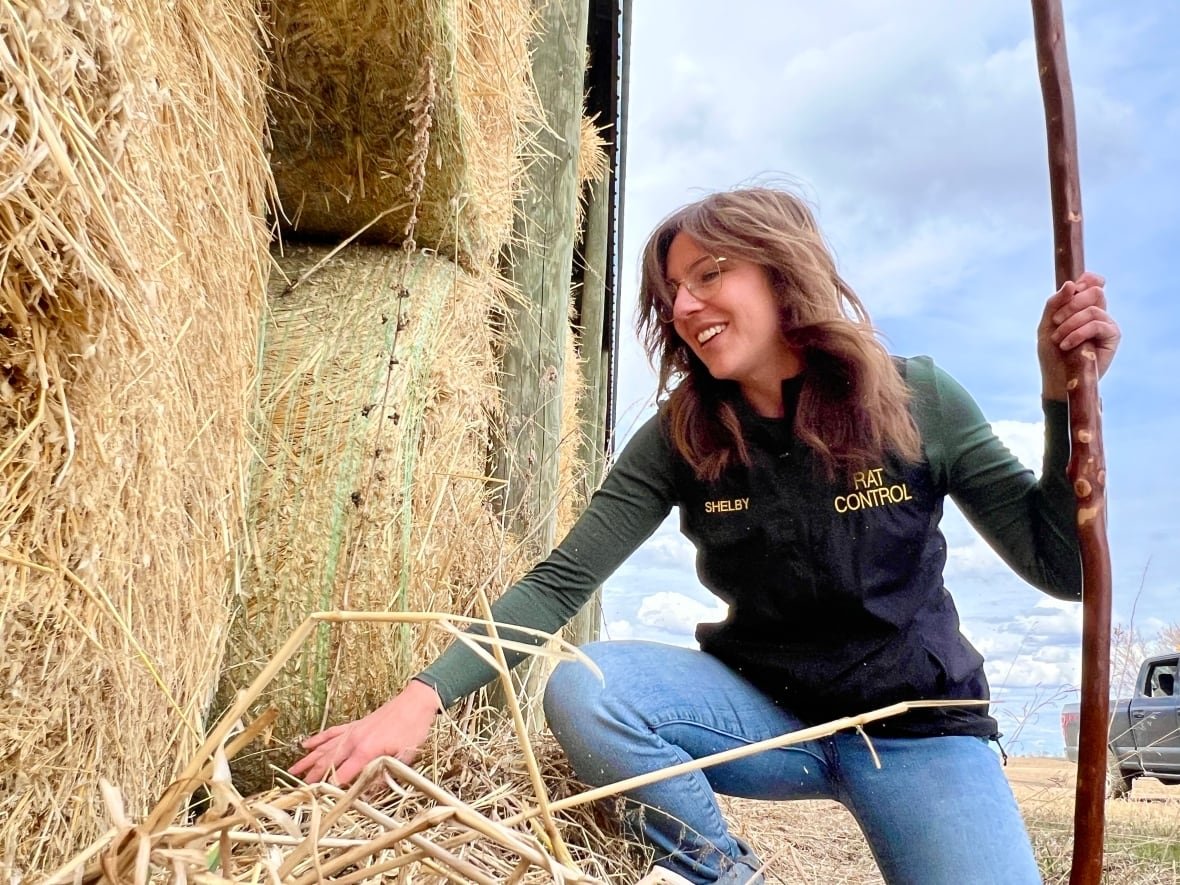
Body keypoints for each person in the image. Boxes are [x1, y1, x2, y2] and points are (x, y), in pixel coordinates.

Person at [291, 187, 1120, 885]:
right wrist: (420, 698)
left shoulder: (916, 398)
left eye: (710, 274)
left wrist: (1063, 400)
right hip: (767, 723)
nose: (684, 306)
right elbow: (560, 582)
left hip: (917, 729)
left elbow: (1060, 563)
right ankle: (728, 876)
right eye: (673, 291)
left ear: (783, 271)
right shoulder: (681, 435)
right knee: (590, 684)